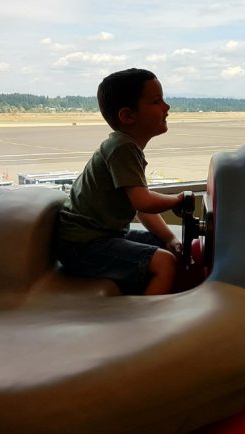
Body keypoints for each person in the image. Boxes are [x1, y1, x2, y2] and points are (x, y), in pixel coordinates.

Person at [56, 68, 185, 296]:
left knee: (163, 245)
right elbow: (143, 201)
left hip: (97, 238)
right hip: (83, 246)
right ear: (127, 116)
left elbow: (139, 205)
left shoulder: (126, 147)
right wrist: (177, 200)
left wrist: (170, 238)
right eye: (156, 101)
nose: (167, 107)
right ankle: (146, 325)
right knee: (165, 263)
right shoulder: (122, 148)